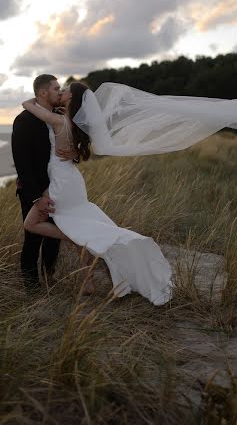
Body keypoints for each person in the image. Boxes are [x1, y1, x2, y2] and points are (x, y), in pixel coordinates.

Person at [21, 81, 173, 306]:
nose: (61, 92)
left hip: (62, 183)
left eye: (65, 91)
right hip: (71, 180)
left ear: (71, 99)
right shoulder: (74, 123)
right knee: (79, 226)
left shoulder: (59, 120)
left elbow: (27, 105)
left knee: (31, 224)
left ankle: (76, 240)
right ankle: (88, 282)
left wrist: (34, 100)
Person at [11, 74, 77, 290]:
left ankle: (49, 277)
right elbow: (22, 163)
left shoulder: (59, 115)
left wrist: (73, 154)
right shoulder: (24, 121)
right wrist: (36, 196)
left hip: (58, 188)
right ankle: (31, 286)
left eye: (60, 88)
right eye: (56, 88)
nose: (59, 91)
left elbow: (69, 148)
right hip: (35, 190)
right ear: (42, 92)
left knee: (54, 238)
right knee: (32, 237)